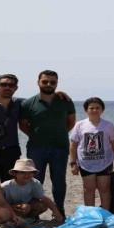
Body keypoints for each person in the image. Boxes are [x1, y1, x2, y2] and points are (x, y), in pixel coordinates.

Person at [19, 70, 76, 215]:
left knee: (59, 180)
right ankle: (34, 211)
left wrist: (58, 134)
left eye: (53, 82)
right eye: (45, 81)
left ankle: (59, 209)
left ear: (57, 83)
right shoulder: (28, 103)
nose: (49, 84)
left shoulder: (66, 101)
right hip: (36, 148)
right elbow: (23, 125)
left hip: (60, 147)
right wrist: (37, 136)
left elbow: (71, 123)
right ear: (38, 82)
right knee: (35, 180)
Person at [69, 97, 114, 212]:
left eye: (97, 108)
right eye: (91, 108)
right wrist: (73, 163)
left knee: (105, 189)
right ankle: (91, 216)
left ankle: (106, 214)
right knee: (88, 189)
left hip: (105, 162)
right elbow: (73, 144)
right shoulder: (80, 125)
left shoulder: (108, 125)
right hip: (85, 163)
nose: (94, 110)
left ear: (102, 109)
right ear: (86, 110)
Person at [1, 158, 64, 222]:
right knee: (25, 207)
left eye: (30, 172)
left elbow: (45, 198)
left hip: (26, 207)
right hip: (9, 208)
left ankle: (27, 219)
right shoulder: (6, 186)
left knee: (43, 205)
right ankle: (11, 220)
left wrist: (57, 213)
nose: (27, 175)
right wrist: (10, 208)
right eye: (23, 172)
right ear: (15, 173)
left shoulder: (35, 183)